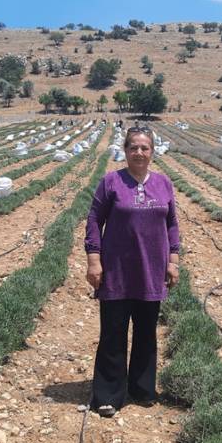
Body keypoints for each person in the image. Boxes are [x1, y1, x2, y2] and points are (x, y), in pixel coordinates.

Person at [85, 127, 180, 417]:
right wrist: (93, 260)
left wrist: (173, 261)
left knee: (146, 333)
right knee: (113, 333)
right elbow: (93, 220)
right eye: (134, 148)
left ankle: (142, 389)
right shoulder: (111, 182)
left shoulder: (163, 184)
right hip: (116, 271)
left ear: (152, 152)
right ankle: (108, 394)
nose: (139, 153)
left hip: (151, 270)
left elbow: (172, 224)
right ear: (125, 151)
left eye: (145, 148)